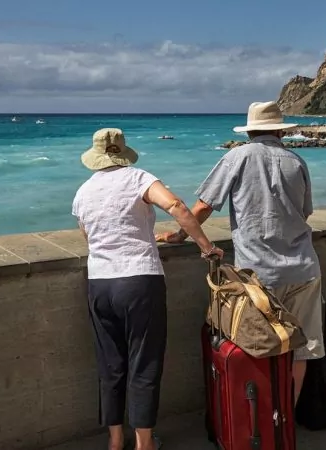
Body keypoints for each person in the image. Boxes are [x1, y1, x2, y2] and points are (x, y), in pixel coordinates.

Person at [156, 101, 324, 406]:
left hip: (258, 276)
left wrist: (180, 235)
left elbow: (204, 205)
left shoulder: (237, 156)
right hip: (304, 269)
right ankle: (286, 420)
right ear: (280, 131)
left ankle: (261, 421)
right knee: (303, 348)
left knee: (258, 346)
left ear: (249, 131)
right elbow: (305, 213)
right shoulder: (297, 161)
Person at [72, 128, 224, 450]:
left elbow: (89, 238)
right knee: (144, 363)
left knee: (110, 364)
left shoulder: (83, 192)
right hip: (139, 280)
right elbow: (178, 207)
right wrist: (206, 247)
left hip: (99, 283)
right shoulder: (138, 178)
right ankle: (144, 444)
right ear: (123, 153)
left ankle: (115, 440)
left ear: (96, 157)